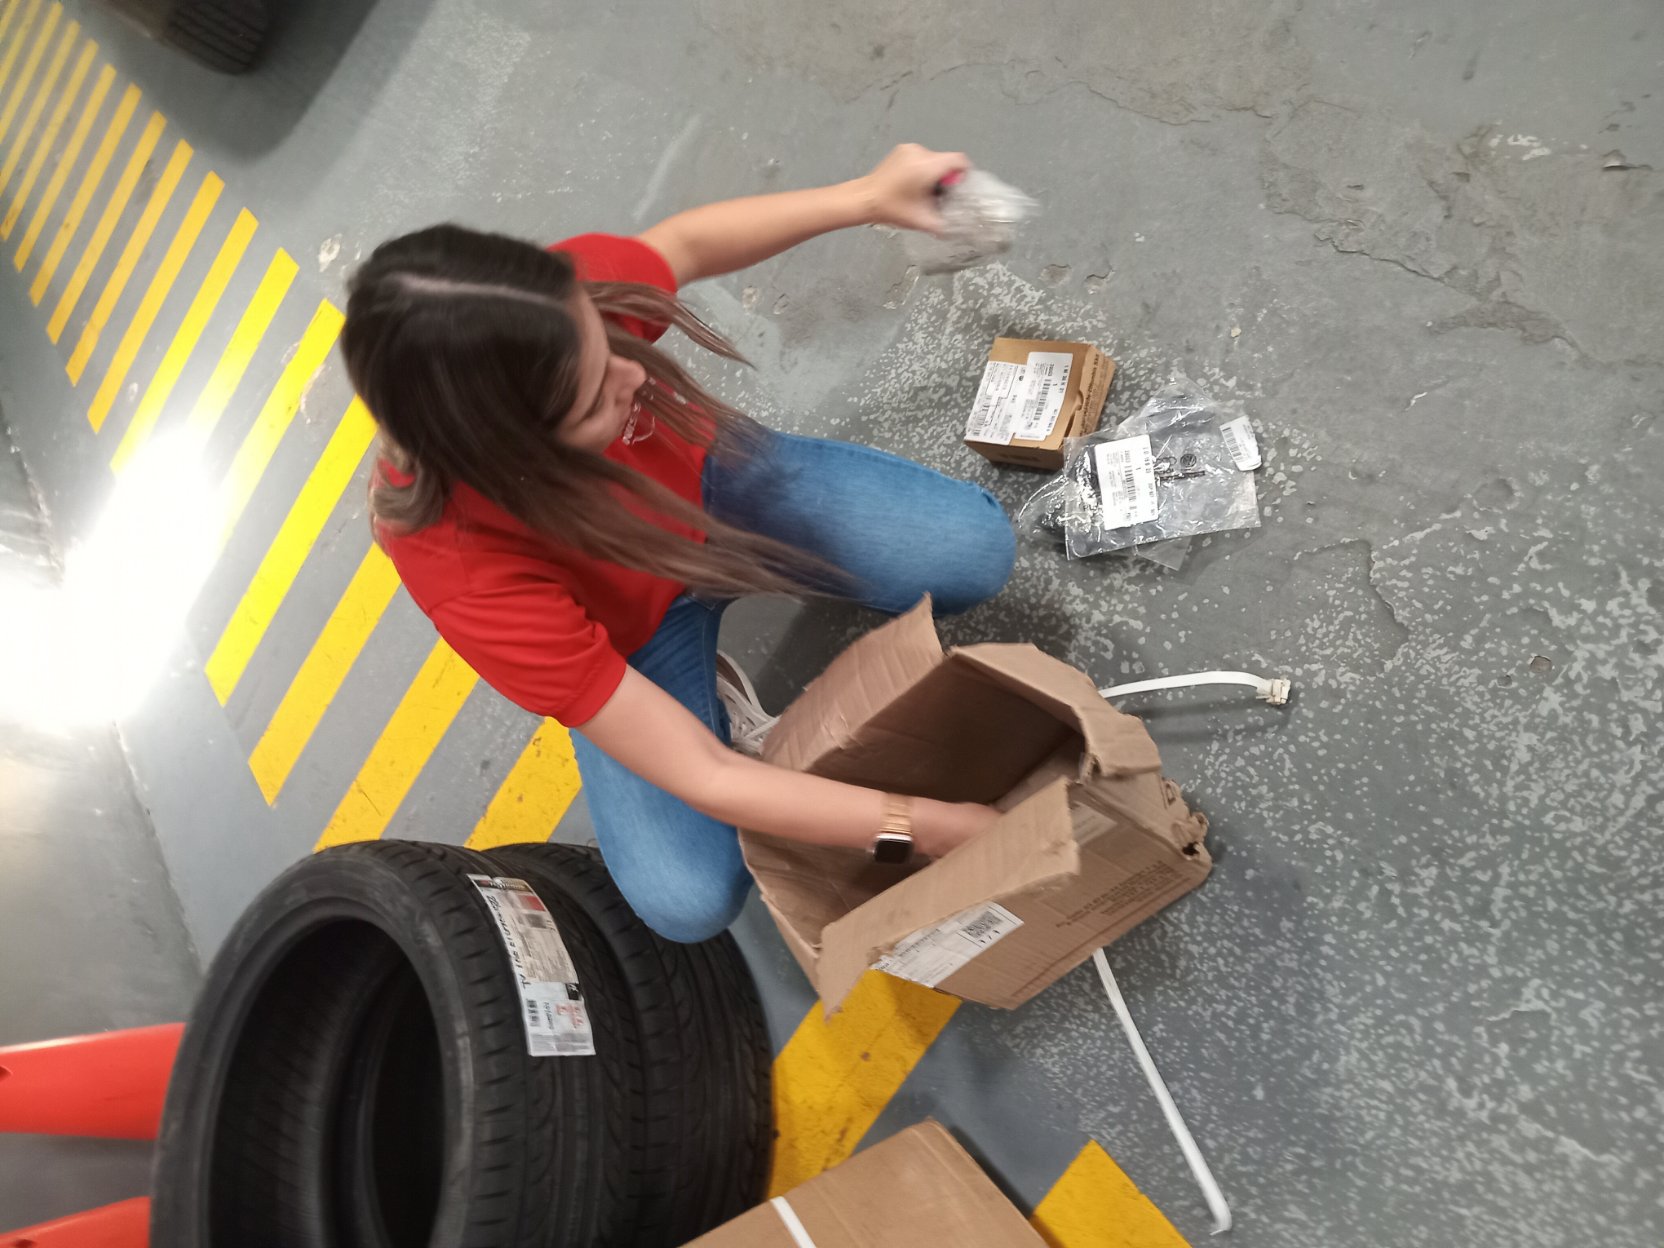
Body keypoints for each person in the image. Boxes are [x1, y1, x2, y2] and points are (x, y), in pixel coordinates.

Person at [340, 144, 1016, 943]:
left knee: (974, 554)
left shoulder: (539, 318)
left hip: (716, 490)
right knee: (684, 897)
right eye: (594, 399)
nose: (632, 376)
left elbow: (684, 244)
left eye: (608, 344)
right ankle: (704, 681)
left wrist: (868, 195)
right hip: (634, 637)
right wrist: (922, 829)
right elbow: (707, 773)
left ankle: (743, 566)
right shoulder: (464, 572)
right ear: (511, 457)